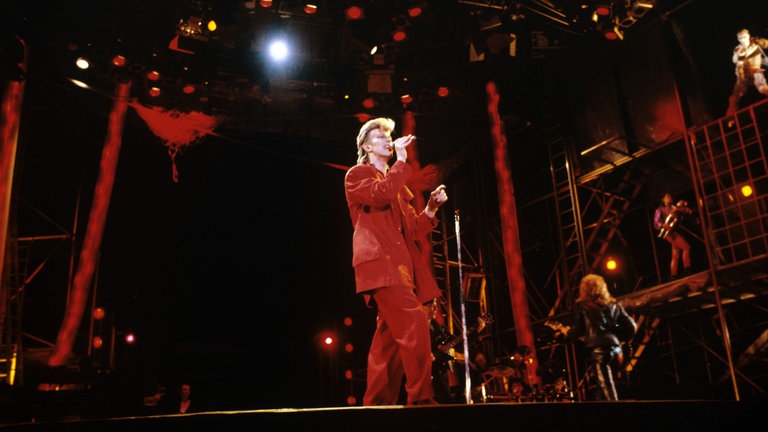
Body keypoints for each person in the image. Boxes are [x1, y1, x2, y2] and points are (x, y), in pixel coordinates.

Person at [344, 117, 448, 406]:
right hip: (379, 265)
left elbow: (414, 230)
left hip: (402, 269)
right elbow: (381, 195)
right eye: (380, 137)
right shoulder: (356, 175)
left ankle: (377, 404)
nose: (388, 141)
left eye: (389, 136)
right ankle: (420, 398)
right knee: (414, 322)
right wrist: (402, 161)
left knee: (388, 341)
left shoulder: (398, 185)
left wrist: (430, 208)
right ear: (366, 145)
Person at [551, 274, 637, 401]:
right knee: (603, 385)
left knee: (606, 386)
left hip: (599, 351)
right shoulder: (614, 304)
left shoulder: (583, 306)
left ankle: (618, 412)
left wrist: (564, 332)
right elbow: (632, 327)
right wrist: (620, 340)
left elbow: (576, 332)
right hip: (617, 350)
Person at [727, 28, 768, 116]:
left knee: (761, 86)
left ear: (748, 36)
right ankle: (730, 117)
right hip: (743, 74)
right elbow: (735, 61)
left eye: (744, 37)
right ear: (738, 39)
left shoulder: (755, 44)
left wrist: (761, 41)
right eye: (740, 38)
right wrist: (737, 54)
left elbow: (766, 44)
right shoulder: (738, 49)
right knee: (735, 96)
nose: (742, 40)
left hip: (755, 71)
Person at [653, 192, 693, 280]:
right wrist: (663, 225)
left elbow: (683, 211)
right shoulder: (660, 210)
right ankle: (687, 268)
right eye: (667, 196)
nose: (670, 198)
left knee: (675, 255)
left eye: (670, 196)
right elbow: (656, 223)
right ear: (663, 199)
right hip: (670, 233)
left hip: (677, 231)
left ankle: (673, 274)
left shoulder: (675, 207)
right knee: (686, 247)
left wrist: (686, 210)